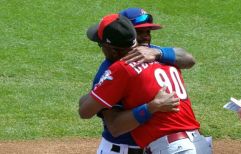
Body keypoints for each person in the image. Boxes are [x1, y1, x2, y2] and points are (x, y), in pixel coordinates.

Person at [79, 14, 212, 153]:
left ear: (111, 49)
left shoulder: (121, 68)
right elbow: (188, 59)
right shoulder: (164, 59)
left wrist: (150, 107)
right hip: (198, 143)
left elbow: (87, 113)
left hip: (173, 149)